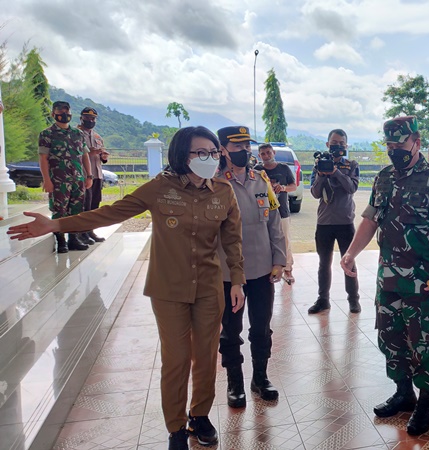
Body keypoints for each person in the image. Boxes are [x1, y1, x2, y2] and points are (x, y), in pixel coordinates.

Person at [8, 126, 246, 450]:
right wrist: (56, 224)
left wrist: (237, 280)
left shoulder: (223, 192)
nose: (210, 158)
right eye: (201, 152)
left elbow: (232, 240)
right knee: (176, 360)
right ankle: (176, 428)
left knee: (205, 357)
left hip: (208, 287)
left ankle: (199, 416)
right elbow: (110, 212)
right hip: (168, 289)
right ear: (182, 155)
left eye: (214, 152)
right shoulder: (160, 188)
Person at [340, 116, 429, 436]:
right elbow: (370, 220)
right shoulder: (384, 178)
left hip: (425, 281)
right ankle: (404, 393)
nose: (394, 150)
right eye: (390, 144)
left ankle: (426, 406)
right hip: (389, 278)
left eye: (400, 143)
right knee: (391, 338)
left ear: (416, 142)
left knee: (425, 343)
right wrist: (351, 252)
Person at [216, 127, 286, 408]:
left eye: (247, 146)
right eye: (237, 146)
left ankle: (260, 377)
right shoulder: (214, 183)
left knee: (261, 327)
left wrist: (279, 260)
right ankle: (234, 382)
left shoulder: (261, 181)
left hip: (262, 268)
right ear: (223, 150)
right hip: (227, 273)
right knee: (231, 330)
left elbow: (274, 221)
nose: (244, 151)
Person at [308, 128, 361, 314]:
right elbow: (315, 193)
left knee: (349, 262)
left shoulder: (351, 165)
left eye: (341, 144)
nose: (337, 146)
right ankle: (323, 300)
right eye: (334, 143)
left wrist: (336, 172)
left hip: (345, 222)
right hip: (324, 223)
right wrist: (321, 175)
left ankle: (353, 300)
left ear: (346, 146)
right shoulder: (319, 165)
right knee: (324, 264)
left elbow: (352, 188)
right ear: (327, 144)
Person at [38, 101, 94, 253]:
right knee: (59, 210)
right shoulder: (47, 134)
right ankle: (61, 241)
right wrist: (46, 180)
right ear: (53, 114)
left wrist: (89, 176)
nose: (64, 114)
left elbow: (85, 156)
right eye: (60, 112)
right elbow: (43, 158)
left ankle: (73, 239)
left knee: (76, 210)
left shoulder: (78, 134)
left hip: (77, 180)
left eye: (66, 112)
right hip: (58, 180)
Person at [256, 142, 297, 284]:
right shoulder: (257, 170)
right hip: (263, 212)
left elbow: (294, 186)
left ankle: (288, 269)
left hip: (282, 212)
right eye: (263, 154)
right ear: (259, 156)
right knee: (265, 241)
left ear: (273, 152)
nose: (266, 156)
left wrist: (283, 188)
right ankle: (268, 269)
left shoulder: (284, 168)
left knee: (285, 240)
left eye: (268, 152)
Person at [77, 107, 110, 244]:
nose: (90, 121)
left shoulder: (97, 137)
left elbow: (101, 157)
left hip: (97, 175)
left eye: (93, 118)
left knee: (94, 205)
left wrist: (103, 156)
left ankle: (90, 231)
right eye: (87, 118)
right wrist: (90, 152)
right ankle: (82, 233)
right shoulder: (76, 134)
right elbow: (75, 154)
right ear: (81, 118)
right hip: (84, 175)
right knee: (85, 205)